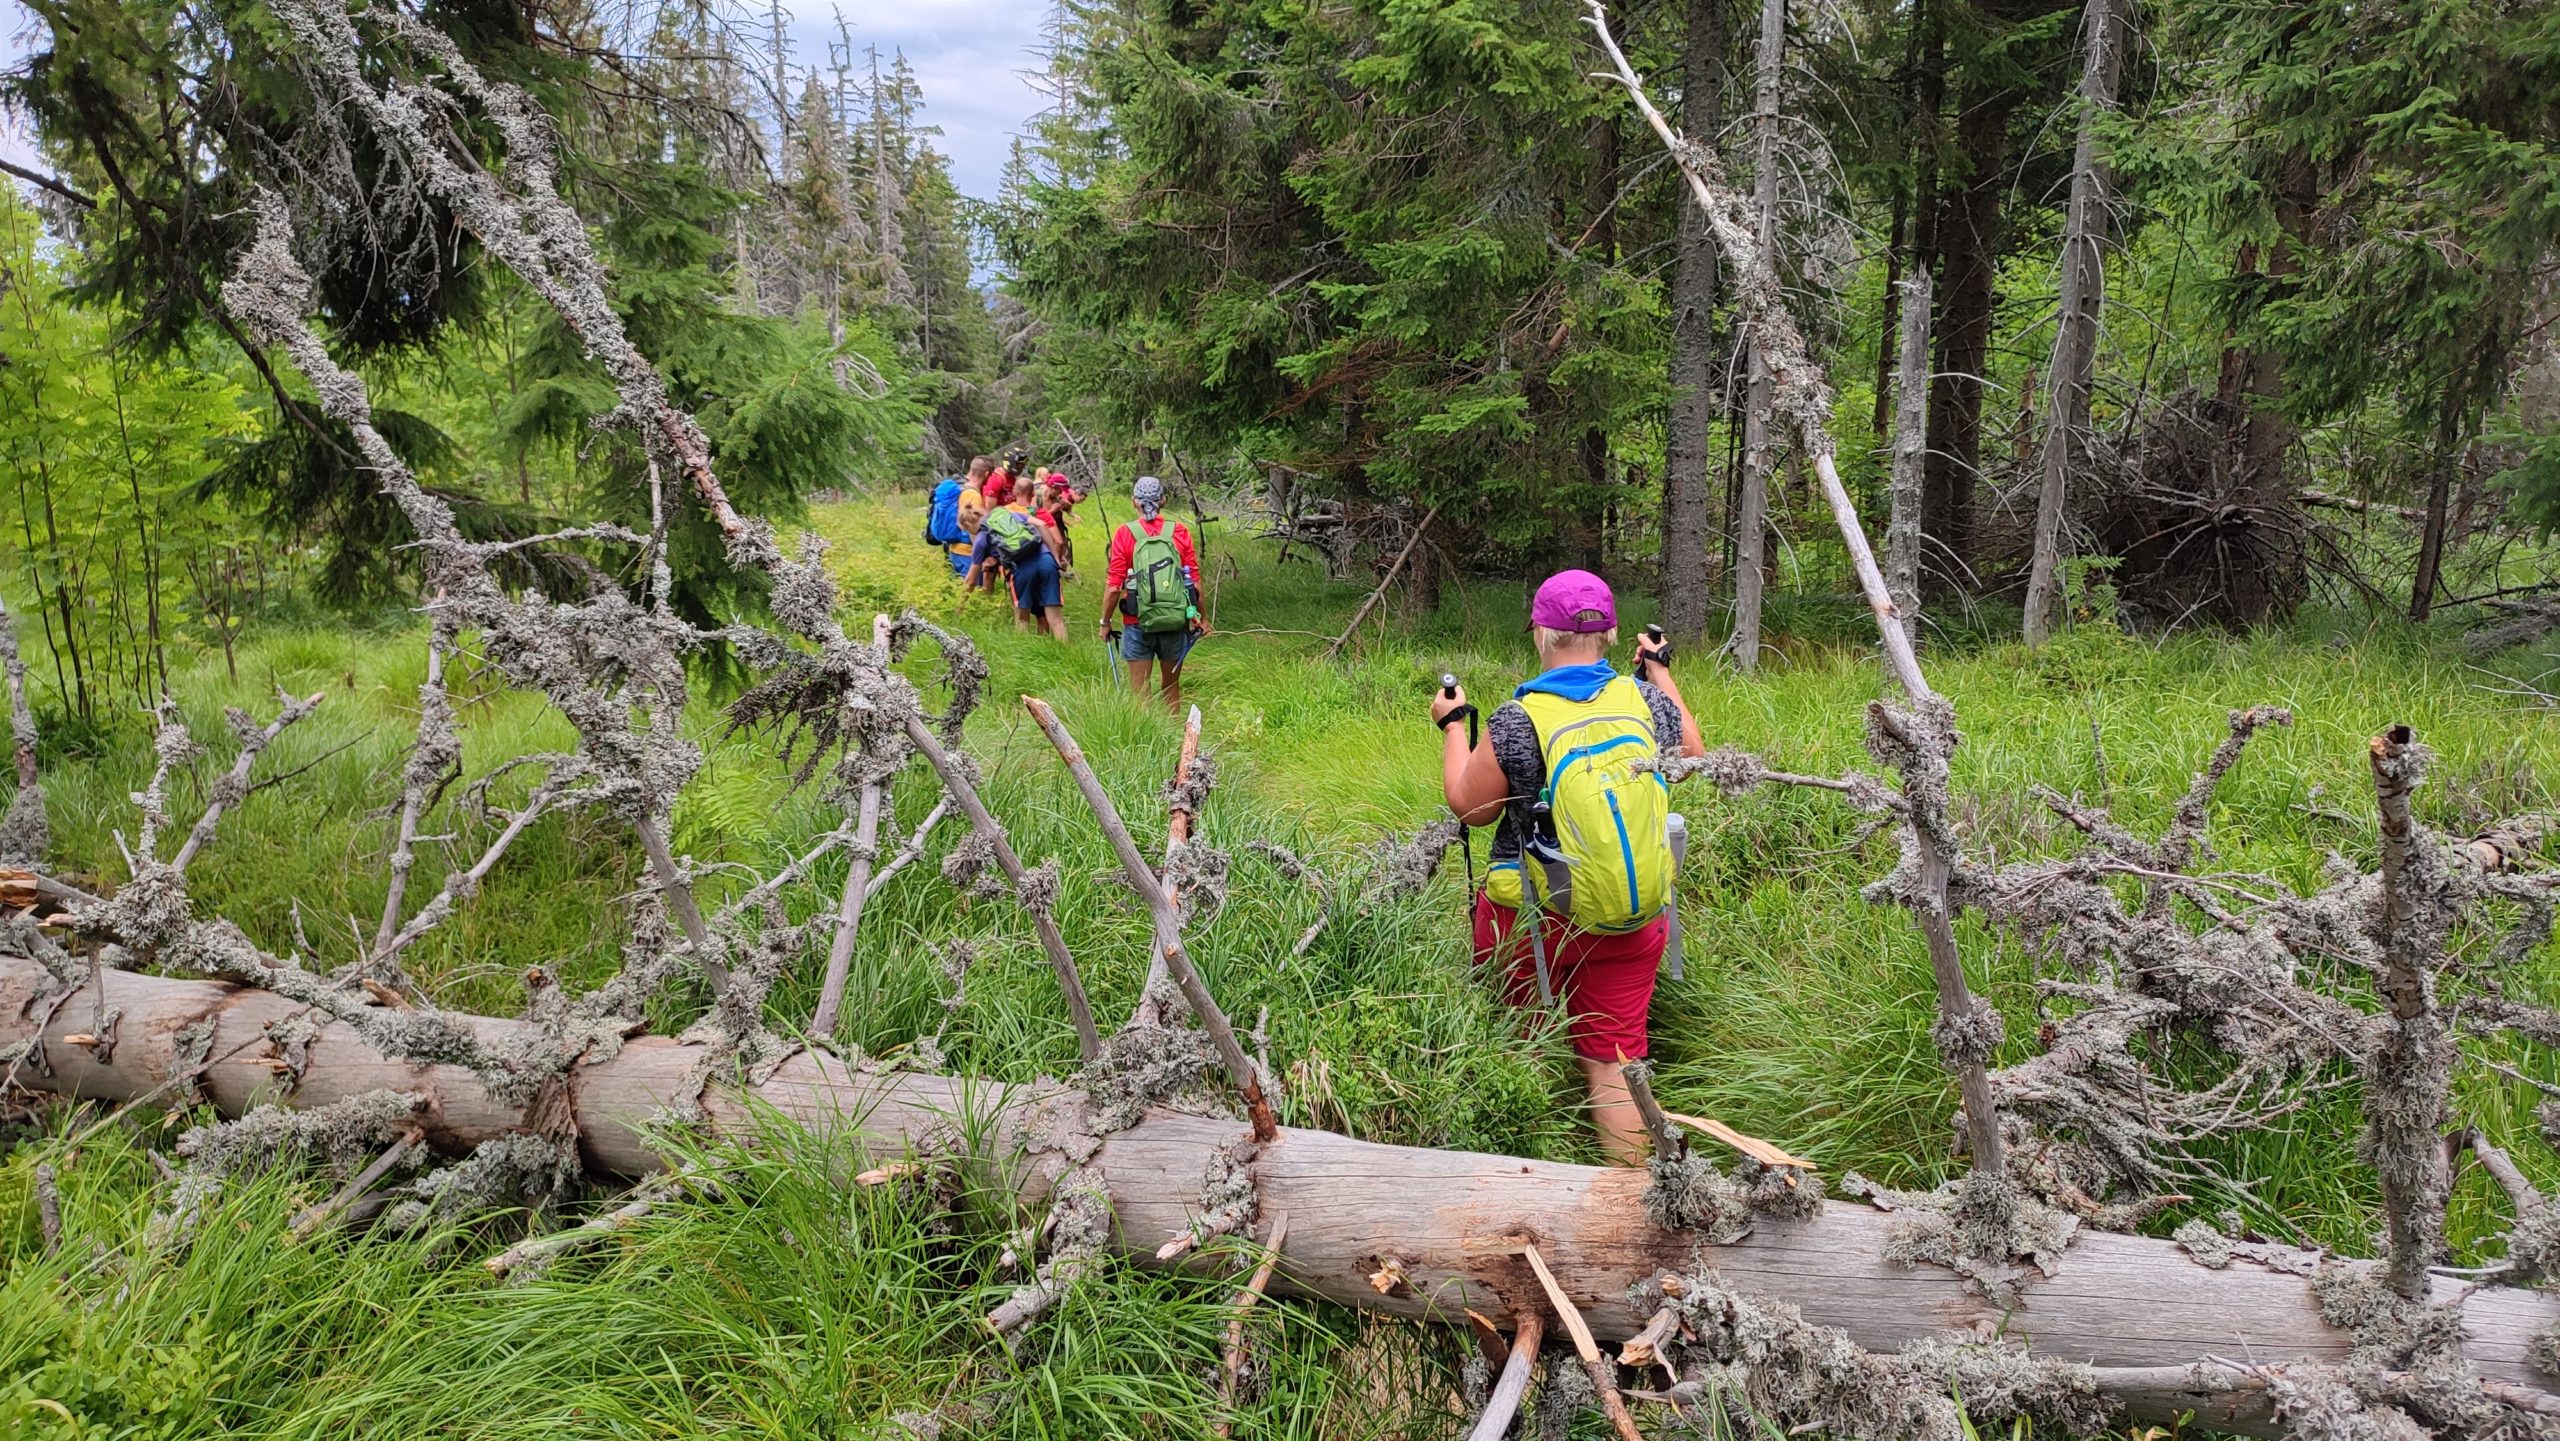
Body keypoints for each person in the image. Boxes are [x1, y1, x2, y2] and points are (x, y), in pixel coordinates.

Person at [1431, 570, 1704, 1164]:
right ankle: (1630, 1208)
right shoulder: (1645, 700)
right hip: (1632, 920)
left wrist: (1453, 726)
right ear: (1609, 634)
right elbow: (1694, 752)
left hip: (1532, 918)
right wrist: (1657, 668)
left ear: (1540, 634)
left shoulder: (1517, 719)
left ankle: (1528, 1186)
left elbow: (1469, 807)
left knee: (1520, 1044)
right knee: (1613, 1062)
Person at [1098, 475, 1205, 712]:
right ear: (1163, 500)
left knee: (1139, 690)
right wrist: (1200, 617)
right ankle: (1178, 742)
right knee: (1171, 688)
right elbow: (1192, 582)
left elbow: (1114, 586)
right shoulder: (1179, 532)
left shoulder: (1125, 534)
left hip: (1137, 622)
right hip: (1175, 622)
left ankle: (1147, 742)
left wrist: (1105, 622)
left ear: (1134, 501)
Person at [969, 483, 1071, 640]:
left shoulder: (981, 538)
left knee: (1022, 619)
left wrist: (961, 603)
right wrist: (1055, 557)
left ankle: (1026, 657)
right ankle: (1068, 658)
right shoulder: (1007, 514)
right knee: (1056, 621)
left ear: (969, 525)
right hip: (1046, 560)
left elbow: (971, 579)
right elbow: (1041, 524)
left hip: (1022, 568)